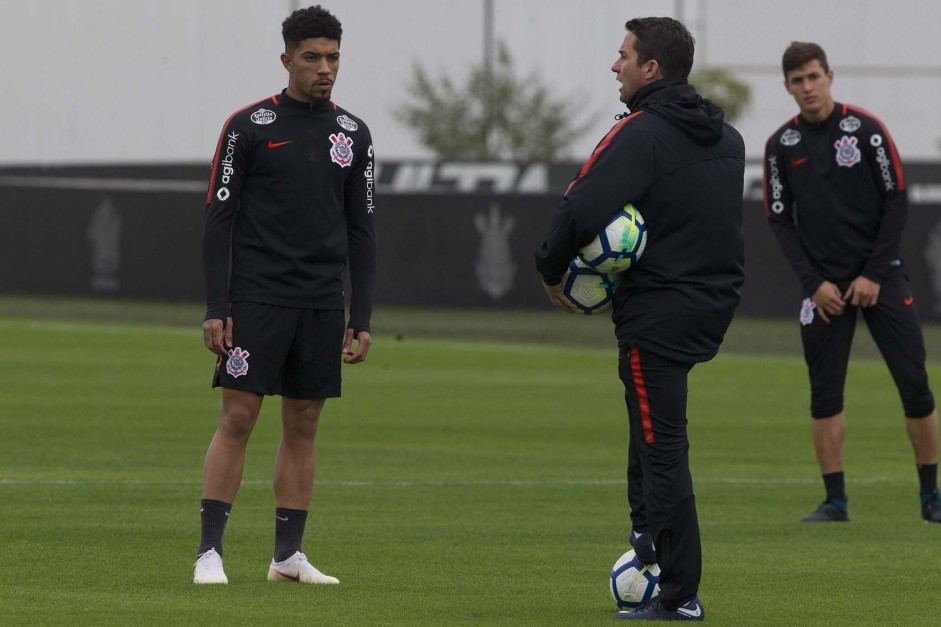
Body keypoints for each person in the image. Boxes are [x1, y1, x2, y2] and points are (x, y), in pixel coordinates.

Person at [535, 17, 744, 621]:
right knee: (647, 426)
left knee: (662, 447)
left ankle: (680, 595)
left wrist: (550, 270)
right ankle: (647, 542)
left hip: (658, 314)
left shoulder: (640, 133)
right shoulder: (726, 137)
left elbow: (581, 204)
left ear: (651, 68)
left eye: (622, 55)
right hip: (712, 307)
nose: (614, 65)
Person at [193, 4, 377, 584]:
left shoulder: (353, 133)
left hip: (322, 300)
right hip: (257, 298)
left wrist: (362, 314)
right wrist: (217, 308)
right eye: (313, 58)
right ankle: (209, 553)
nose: (325, 68)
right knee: (240, 417)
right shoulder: (249, 127)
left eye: (333, 58)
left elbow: (362, 230)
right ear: (287, 60)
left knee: (304, 423)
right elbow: (218, 221)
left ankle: (287, 558)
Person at [763, 41, 941, 524]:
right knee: (824, 394)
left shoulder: (866, 132)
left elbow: (896, 202)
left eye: (813, 77)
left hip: (881, 277)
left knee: (915, 384)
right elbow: (780, 221)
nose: (807, 87)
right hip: (822, 289)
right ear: (787, 87)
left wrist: (872, 273)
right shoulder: (781, 146)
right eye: (797, 81)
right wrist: (812, 283)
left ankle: (931, 496)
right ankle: (835, 502)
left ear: (830, 76)